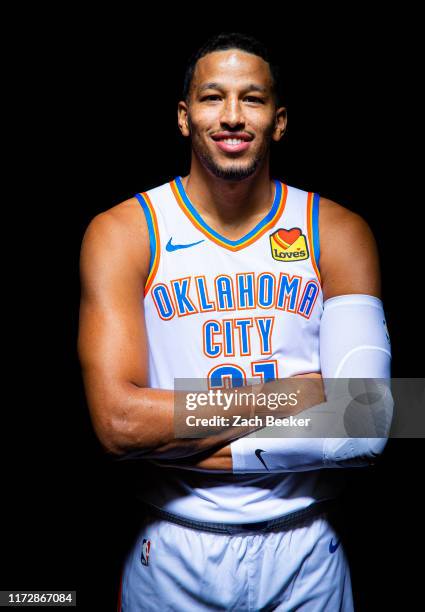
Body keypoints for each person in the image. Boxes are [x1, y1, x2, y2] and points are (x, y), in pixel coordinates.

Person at [78, 32, 392, 611]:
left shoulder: (338, 232)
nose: (231, 116)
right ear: (183, 116)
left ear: (278, 121)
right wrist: (288, 397)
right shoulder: (125, 231)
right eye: (211, 97)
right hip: (172, 548)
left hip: (307, 552)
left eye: (252, 98)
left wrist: (168, 436)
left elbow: (367, 425)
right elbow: (118, 425)